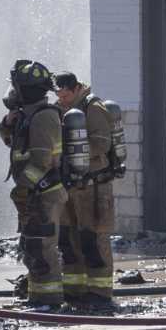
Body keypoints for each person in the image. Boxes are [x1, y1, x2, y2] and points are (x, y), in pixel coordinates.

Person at [0, 59, 66, 310]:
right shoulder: (29, 116)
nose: (13, 91)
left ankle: (48, 301)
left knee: (42, 248)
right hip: (35, 194)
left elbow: (42, 161)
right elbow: (12, 143)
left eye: (17, 86)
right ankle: (38, 298)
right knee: (33, 247)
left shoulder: (43, 117)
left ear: (26, 89)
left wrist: (23, 188)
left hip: (43, 194)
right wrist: (8, 122)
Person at [55, 72, 125, 312]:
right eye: (59, 95)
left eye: (65, 95)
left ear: (75, 89)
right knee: (70, 238)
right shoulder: (61, 109)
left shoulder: (93, 108)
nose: (62, 99)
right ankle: (75, 290)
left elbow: (102, 143)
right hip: (71, 186)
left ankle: (100, 291)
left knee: (94, 237)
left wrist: (76, 151)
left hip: (94, 186)